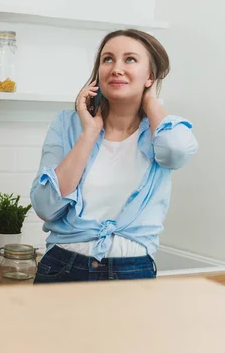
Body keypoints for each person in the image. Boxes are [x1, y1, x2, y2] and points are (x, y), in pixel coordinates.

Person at [30, 29, 198, 284]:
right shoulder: (67, 124)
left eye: (130, 59)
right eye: (108, 59)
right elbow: (45, 207)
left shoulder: (160, 131)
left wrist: (150, 102)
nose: (116, 68)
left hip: (133, 271)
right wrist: (90, 133)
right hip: (62, 266)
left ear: (150, 76)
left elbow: (176, 152)